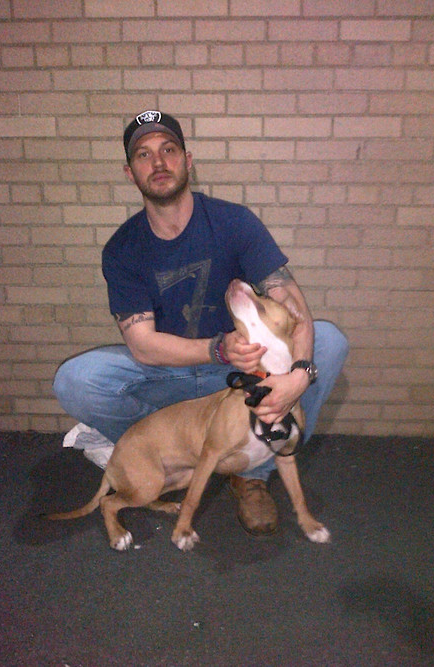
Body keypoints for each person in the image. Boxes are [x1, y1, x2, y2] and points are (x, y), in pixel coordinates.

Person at [53, 110, 349, 536]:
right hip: (169, 376)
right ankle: (163, 449)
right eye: (144, 154)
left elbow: (292, 305)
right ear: (130, 172)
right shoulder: (122, 248)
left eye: (169, 150)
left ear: (187, 161)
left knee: (330, 342)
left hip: (240, 375)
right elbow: (142, 345)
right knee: (76, 379)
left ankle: (252, 469)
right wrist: (216, 348)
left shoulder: (234, 222)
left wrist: (299, 376)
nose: (158, 162)